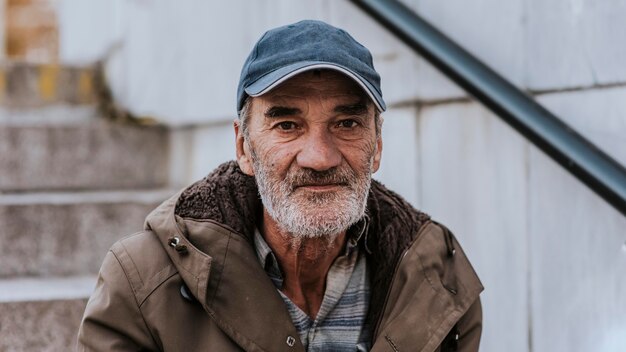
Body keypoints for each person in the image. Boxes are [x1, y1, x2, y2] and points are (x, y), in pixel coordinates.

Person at [77, 20, 483, 352]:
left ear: (376, 147)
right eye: (287, 125)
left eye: (346, 124)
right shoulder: (144, 282)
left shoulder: (438, 282)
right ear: (244, 147)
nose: (319, 157)